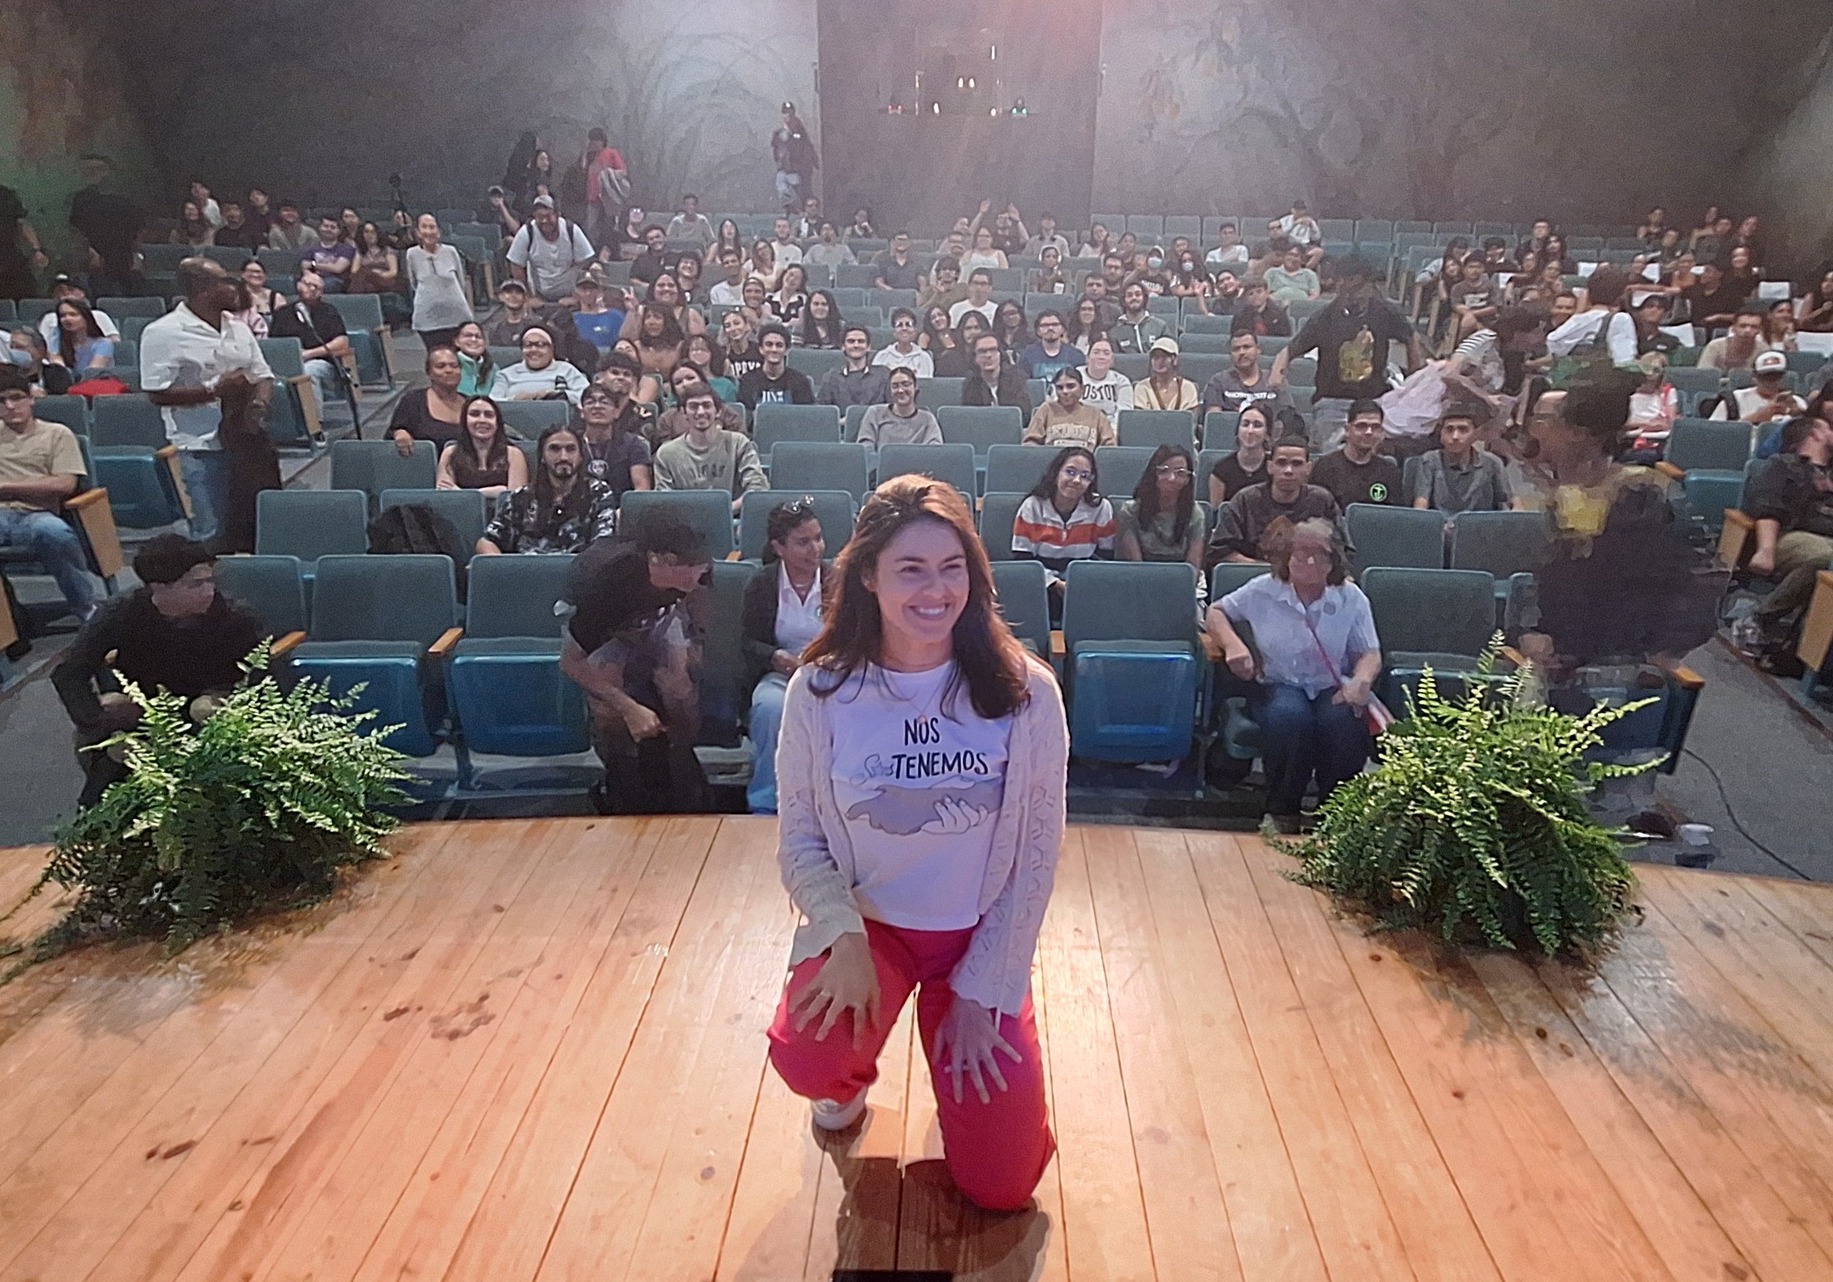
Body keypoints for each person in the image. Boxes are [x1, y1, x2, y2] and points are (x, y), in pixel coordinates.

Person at [765, 473, 1064, 1211]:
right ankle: (843, 1094)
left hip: (977, 938)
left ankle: (977, 1095)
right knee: (807, 1056)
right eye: (910, 569)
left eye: (951, 567)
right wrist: (841, 935)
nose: (935, 590)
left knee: (1001, 1187)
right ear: (867, 578)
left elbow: (1034, 859)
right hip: (872, 933)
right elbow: (799, 839)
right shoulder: (820, 691)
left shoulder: (1026, 693)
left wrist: (983, 986)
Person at [53, 534, 268, 807]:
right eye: (195, 585)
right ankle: (104, 809)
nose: (208, 592)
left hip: (210, 704)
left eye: (210, 582)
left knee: (203, 709)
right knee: (105, 717)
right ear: (159, 588)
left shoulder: (236, 617)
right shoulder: (123, 612)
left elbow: (264, 678)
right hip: (147, 703)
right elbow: (69, 672)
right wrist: (97, 720)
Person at [1204, 518, 1380, 833]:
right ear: (1287, 557)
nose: (1309, 561)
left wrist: (1362, 682)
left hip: (1330, 683)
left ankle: (1337, 813)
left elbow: (1369, 653)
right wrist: (1233, 645)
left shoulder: (1350, 598)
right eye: (1300, 553)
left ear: (1333, 560)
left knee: (1343, 721)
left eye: (1320, 554)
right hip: (1278, 681)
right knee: (1290, 718)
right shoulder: (1263, 590)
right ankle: (1282, 810)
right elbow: (1216, 612)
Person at [560, 510, 712, 815]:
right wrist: (628, 708)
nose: (697, 573)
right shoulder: (609, 582)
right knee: (609, 695)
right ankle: (621, 780)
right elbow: (571, 662)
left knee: (679, 687)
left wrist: (697, 642)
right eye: (688, 568)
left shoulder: (695, 567)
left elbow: (699, 596)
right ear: (657, 560)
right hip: (609, 629)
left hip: (660, 619)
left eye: (701, 566)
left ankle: (683, 774)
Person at [141, 257, 277, 549]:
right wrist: (213, 391)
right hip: (201, 446)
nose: (233, 286)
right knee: (212, 533)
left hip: (246, 440)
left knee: (256, 527)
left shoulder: (238, 326)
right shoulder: (162, 332)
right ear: (203, 289)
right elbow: (156, 393)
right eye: (224, 280)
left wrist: (259, 406)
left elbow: (263, 375)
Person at [742, 500, 835, 814]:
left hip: (834, 673)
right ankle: (767, 802)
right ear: (779, 547)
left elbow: (859, 638)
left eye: (819, 538)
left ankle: (832, 803)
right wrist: (776, 657)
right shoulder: (762, 584)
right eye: (803, 542)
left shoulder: (838, 580)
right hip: (782, 675)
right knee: (769, 708)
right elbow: (749, 642)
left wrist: (827, 662)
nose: (816, 549)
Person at [1272, 256, 1419, 452]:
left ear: (1368, 286)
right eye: (1345, 284)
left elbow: (1410, 337)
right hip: (1332, 400)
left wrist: (1414, 375)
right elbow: (1290, 351)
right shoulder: (1324, 318)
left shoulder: (1385, 312)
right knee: (1335, 453)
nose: (1352, 293)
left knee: (1374, 453)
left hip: (1372, 400)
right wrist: (1277, 371)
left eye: (1358, 286)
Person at [0, 364, 98, 621]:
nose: (9, 406)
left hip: (37, 515)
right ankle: (9, 621)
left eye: (16, 398)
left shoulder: (56, 434)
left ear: (31, 399)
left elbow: (64, 485)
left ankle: (87, 610)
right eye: (1, 401)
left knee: (55, 533)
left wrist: (5, 487)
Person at [1746, 414, 1833, 637]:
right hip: (1792, 535)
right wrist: (1765, 551)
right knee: (1827, 558)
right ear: (1815, 433)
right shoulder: (1783, 465)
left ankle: (1809, 645)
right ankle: (1759, 619)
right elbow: (1768, 510)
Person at [478, 423, 617, 555]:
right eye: (554, 449)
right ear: (542, 457)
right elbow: (486, 541)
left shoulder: (598, 493)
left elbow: (603, 543)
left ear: (581, 456)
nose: (564, 456)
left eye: (570, 449)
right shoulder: (521, 497)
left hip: (579, 574)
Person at [1208, 434, 1346, 565]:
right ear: (1270, 466)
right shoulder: (1245, 500)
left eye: (1297, 464)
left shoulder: (1322, 501)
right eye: (1281, 462)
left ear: (1308, 468)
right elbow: (1220, 551)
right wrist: (1266, 569)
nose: (1288, 470)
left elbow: (1340, 552)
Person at [1012, 446, 1116, 614]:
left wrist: (1075, 581)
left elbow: (1104, 557)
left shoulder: (1101, 508)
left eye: (1085, 476)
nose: (1076, 480)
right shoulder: (1032, 506)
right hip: (1040, 583)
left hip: (1083, 581)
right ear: (1056, 473)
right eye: (1070, 472)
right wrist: (1054, 583)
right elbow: (1022, 559)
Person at [653, 381, 767, 512]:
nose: (700, 412)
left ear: (718, 411)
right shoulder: (666, 453)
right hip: (684, 525)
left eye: (706, 406)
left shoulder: (739, 443)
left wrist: (726, 510)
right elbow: (663, 499)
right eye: (693, 406)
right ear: (683, 412)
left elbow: (757, 488)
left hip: (732, 519)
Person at [267, 270, 354, 428]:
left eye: (318, 287)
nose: (313, 289)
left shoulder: (328, 311)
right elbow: (274, 343)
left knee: (308, 371)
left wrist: (308, 354)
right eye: (309, 284)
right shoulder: (283, 314)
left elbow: (342, 342)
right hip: (287, 364)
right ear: (299, 285)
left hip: (322, 364)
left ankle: (314, 425)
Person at [1411, 405, 1516, 512]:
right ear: (1441, 434)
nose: (1455, 436)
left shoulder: (1492, 463)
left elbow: (1509, 502)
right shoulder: (1429, 461)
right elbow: (1421, 502)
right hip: (1441, 525)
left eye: (1463, 429)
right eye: (1449, 430)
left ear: (1475, 434)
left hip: (1479, 525)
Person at [1117, 444, 1204, 571]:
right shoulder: (1130, 512)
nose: (1171, 478)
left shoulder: (1195, 513)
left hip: (1181, 581)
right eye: (1164, 470)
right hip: (1142, 579)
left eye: (1180, 473)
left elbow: (1192, 568)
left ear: (1188, 479)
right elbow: (1136, 567)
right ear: (1153, 474)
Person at [67, 155, 143, 295]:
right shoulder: (81, 199)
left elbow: (138, 229)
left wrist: (137, 255)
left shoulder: (125, 197)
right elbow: (76, 230)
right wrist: (89, 252)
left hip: (125, 257)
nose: (95, 173)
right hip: (95, 258)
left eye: (99, 169)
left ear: (109, 171)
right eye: (90, 169)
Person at [1309, 399, 1401, 509]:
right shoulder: (1324, 467)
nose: (1369, 432)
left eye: (1375, 427)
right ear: (1347, 430)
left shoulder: (1390, 471)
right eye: (1361, 426)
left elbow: (1395, 515)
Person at [507, 196, 596, 303]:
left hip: (570, 293)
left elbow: (585, 263)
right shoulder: (527, 232)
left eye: (548, 216)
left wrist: (577, 296)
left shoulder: (571, 230)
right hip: (540, 295)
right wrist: (528, 297)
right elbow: (516, 265)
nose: (544, 221)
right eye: (540, 217)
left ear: (557, 214)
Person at [405, 213, 474, 350]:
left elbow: (461, 281)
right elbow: (413, 283)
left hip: (456, 315)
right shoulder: (412, 254)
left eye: (432, 227)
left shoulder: (451, 251)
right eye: (424, 227)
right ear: (417, 232)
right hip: (427, 317)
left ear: (439, 231)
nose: (428, 231)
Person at [436, 394, 526, 498]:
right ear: (465, 421)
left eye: (489, 415)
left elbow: (515, 495)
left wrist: (463, 492)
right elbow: (445, 494)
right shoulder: (449, 453)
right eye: (474, 414)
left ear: (497, 422)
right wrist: (496, 491)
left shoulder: (514, 454)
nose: (482, 420)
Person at [390, 346, 470, 454]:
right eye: (440, 366)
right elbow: (394, 432)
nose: (449, 370)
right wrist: (400, 433)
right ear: (429, 373)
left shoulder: (471, 403)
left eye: (454, 366)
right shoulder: (412, 400)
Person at [1200, 330, 1292, 421]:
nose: (1242, 352)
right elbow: (1215, 423)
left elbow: (1287, 418)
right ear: (1230, 355)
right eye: (1236, 349)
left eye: (1247, 347)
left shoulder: (1275, 379)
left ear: (1258, 350)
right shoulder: (1218, 382)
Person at [490, 325, 589, 404]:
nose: (533, 350)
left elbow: (587, 395)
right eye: (528, 345)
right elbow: (492, 401)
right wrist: (514, 399)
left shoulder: (567, 370)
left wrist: (556, 395)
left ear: (552, 348)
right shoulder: (505, 374)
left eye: (540, 345)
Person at [1023, 365, 1115, 450]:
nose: (1065, 391)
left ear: (1082, 388)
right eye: (1060, 387)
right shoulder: (1046, 409)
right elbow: (1030, 443)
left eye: (1070, 386)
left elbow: (1110, 448)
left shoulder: (1096, 414)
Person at [1713, 349, 1807, 424]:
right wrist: (1757, 417)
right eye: (1765, 377)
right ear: (1754, 377)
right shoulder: (1733, 400)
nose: (1771, 381)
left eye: (1776, 377)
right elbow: (1714, 432)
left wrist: (1799, 416)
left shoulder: (1797, 402)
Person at [1208, 402, 1274, 505]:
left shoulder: (1275, 468)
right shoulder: (1221, 470)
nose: (1250, 431)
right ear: (1237, 431)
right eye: (1245, 424)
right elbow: (1216, 513)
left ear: (1267, 434)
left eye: (1257, 425)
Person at [857, 367, 942, 448]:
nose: (900, 390)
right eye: (895, 386)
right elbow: (865, 447)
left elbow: (934, 450)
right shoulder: (875, 413)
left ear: (915, 387)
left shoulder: (927, 419)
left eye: (906, 384)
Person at [738, 324, 815, 411]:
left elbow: (805, 417)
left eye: (779, 345)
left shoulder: (800, 381)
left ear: (787, 350)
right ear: (760, 349)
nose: (774, 349)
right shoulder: (748, 380)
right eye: (769, 344)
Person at [817, 325, 891, 409]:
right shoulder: (830, 378)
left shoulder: (884, 375)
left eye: (861, 341)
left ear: (868, 347)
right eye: (851, 341)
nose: (856, 345)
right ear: (843, 347)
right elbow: (824, 412)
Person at [962, 332, 1032, 416]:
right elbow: (970, 417)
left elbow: (1025, 415)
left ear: (1000, 354)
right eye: (982, 351)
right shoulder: (970, 384)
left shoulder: (1016, 379)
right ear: (975, 357)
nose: (988, 355)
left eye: (993, 350)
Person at [0, 181, 47, 300]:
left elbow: (22, 223)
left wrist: (36, 250)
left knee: (24, 293)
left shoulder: (5, 195)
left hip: (8, 257)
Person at [1133, 337, 1200, 413]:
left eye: (1164, 356)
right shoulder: (1142, 387)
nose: (1159, 361)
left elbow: (1191, 421)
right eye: (1156, 357)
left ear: (1175, 360)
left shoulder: (1188, 387)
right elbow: (1140, 420)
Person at [1698, 308, 1775, 372]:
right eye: (1742, 326)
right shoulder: (1715, 346)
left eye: (1754, 327)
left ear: (1759, 330)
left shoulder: (1764, 349)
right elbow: (1703, 374)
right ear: (1733, 328)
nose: (1747, 330)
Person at [772, 104, 819, 210]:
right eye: (785, 113)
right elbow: (775, 149)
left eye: (790, 113)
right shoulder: (778, 133)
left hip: (797, 170)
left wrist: (813, 162)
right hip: (784, 170)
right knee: (784, 194)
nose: (787, 115)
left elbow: (807, 147)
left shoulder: (800, 132)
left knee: (802, 194)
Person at [1017, 310, 1084, 383]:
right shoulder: (1027, 355)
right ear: (1038, 331)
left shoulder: (1076, 355)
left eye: (1055, 324)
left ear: (1063, 329)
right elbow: (1022, 383)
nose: (1050, 328)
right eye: (1045, 325)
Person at [50, 299, 116, 373]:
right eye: (62, 315)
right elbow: (57, 366)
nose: (67, 319)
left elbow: (92, 373)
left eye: (73, 314)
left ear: (86, 317)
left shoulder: (104, 344)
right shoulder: (57, 341)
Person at [570, 271, 625, 356]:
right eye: (584, 289)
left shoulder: (616, 316)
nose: (588, 293)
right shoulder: (570, 319)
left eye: (592, 289)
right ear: (576, 291)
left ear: (599, 291)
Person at [298, 215, 356, 293]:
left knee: (330, 284)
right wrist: (313, 277)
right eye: (325, 226)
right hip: (314, 279)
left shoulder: (346, 249)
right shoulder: (310, 249)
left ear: (339, 231)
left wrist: (313, 265)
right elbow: (305, 266)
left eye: (333, 227)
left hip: (336, 281)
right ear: (320, 228)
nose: (328, 229)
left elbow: (337, 268)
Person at [874, 308, 934, 378]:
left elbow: (926, 385)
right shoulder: (882, 356)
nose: (904, 328)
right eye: (899, 325)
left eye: (908, 325)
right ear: (894, 332)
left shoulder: (924, 358)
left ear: (914, 331)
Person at [1111, 283, 1169, 354]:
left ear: (1144, 298)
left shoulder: (1160, 326)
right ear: (1123, 300)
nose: (1134, 298)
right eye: (1129, 295)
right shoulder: (1116, 331)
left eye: (1138, 294)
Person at [452, 321, 496, 396]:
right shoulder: (450, 365)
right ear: (457, 341)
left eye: (478, 337)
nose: (473, 339)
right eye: (468, 336)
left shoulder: (493, 368)